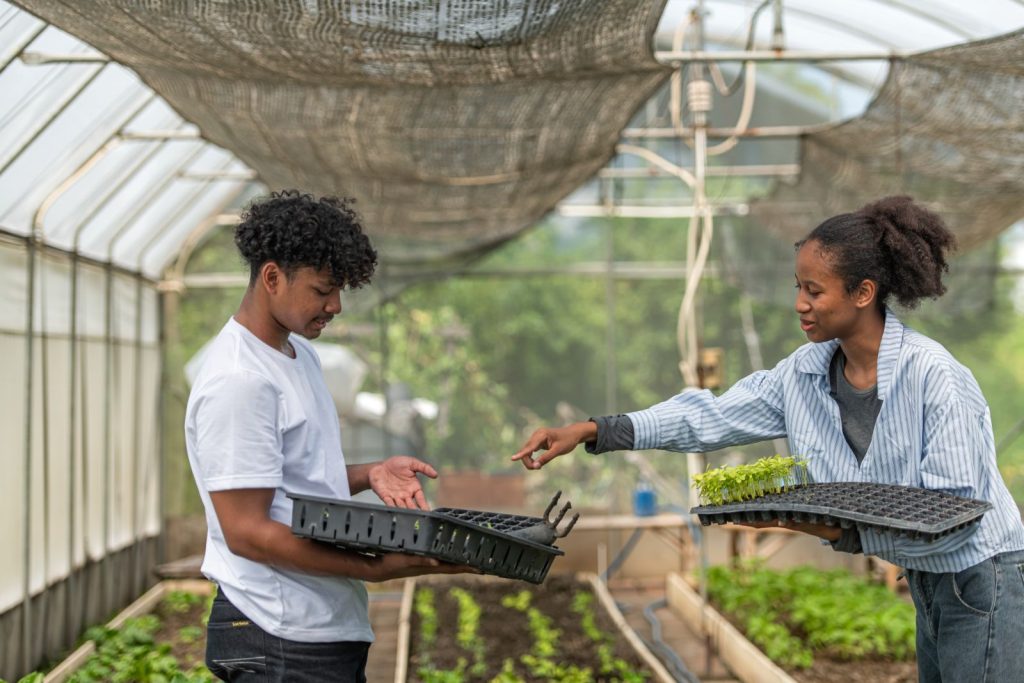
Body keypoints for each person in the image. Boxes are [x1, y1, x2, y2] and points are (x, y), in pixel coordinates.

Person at [512, 196, 1024, 682]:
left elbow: (955, 515)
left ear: (863, 293)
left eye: (814, 291)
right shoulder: (805, 374)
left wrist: (833, 531)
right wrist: (594, 430)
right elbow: (708, 418)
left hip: (983, 575)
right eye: (798, 287)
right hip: (929, 577)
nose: (799, 304)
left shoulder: (933, 377)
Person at [185, 190, 473, 683]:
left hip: (318, 626)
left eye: (339, 290)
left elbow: (289, 482)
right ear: (272, 277)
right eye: (322, 290)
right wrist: (373, 567)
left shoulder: (300, 357)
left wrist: (370, 473)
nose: (335, 305)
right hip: (278, 636)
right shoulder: (240, 379)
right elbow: (247, 531)